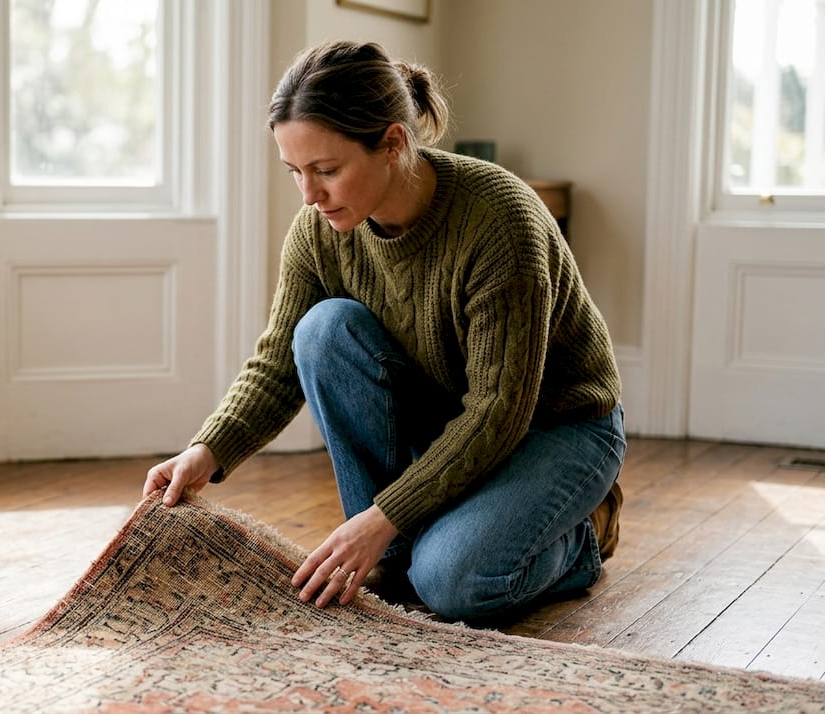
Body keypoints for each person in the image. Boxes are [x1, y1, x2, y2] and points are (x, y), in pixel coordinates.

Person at [142, 40, 625, 623]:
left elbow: (498, 411)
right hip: (453, 418)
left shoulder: (501, 223)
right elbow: (276, 364)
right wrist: (206, 450)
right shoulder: (318, 232)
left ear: (393, 143)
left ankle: (581, 540)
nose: (309, 195)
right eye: (295, 171)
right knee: (322, 330)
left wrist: (378, 515)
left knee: (454, 584)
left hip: (558, 427)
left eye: (326, 170)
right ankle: (395, 551)